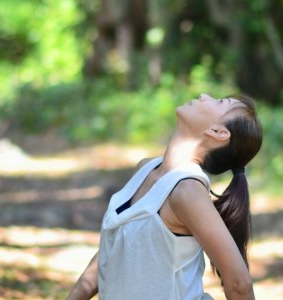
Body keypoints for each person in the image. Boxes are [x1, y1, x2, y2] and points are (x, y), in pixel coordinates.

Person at [66, 93, 263, 300]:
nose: (205, 96)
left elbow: (239, 283)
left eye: (220, 102)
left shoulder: (187, 191)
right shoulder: (145, 169)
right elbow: (117, 251)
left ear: (218, 132)